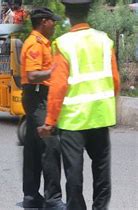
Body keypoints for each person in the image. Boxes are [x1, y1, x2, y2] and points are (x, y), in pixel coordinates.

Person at [37, 0, 120, 209]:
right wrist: (111, 106)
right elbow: (116, 80)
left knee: (74, 173)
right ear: (88, 12)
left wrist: (49, 121)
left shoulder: (64, 44)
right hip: (100, 117)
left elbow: (57, 87)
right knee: (101, 169)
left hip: (73, 121)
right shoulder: (104, 40)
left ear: (67, 14)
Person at [19, 8, 63, 209]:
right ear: (44, 22)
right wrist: (54, 71)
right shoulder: (35, 44)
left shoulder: (40, 42)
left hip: (35, 97)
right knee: (50, 147)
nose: (55, 25)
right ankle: (52, 199)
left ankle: (31, 197)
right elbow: (33, 75)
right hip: (38, 97)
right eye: (53, 21)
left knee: (34, 148)